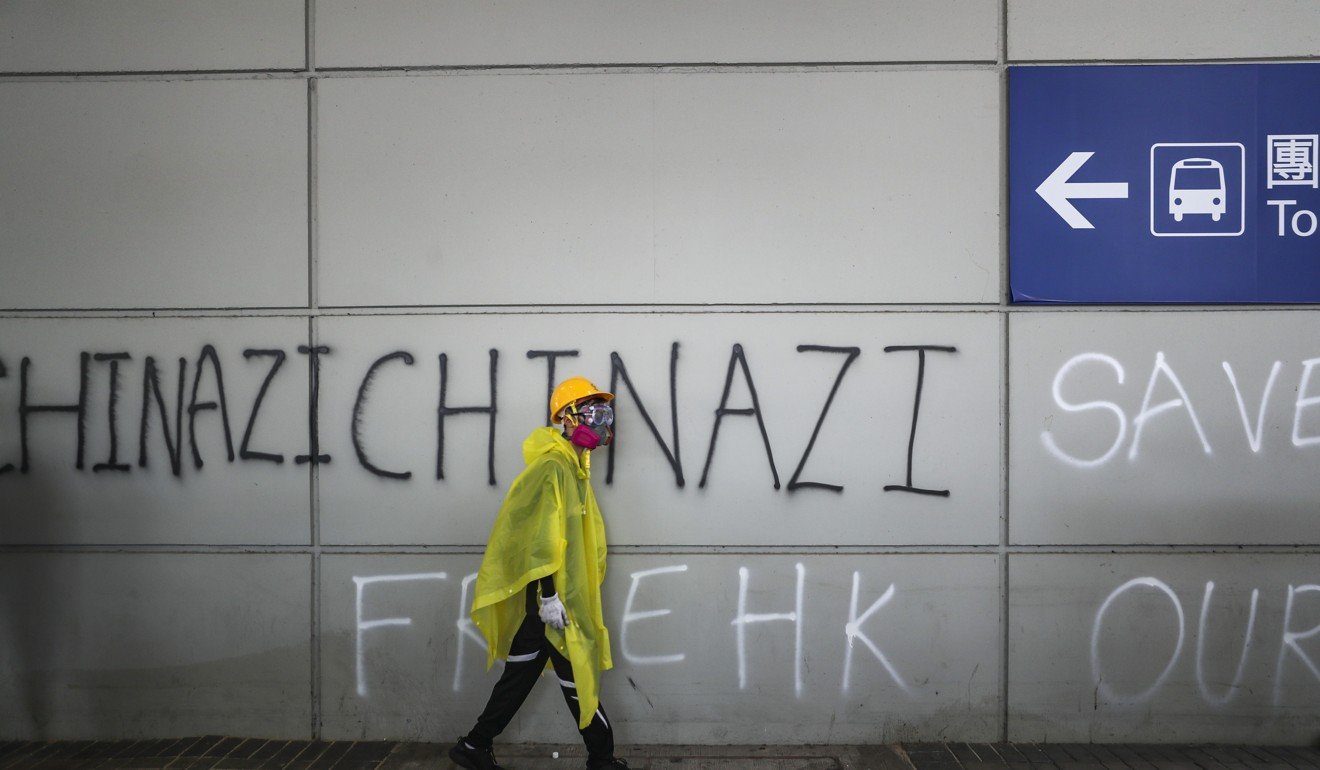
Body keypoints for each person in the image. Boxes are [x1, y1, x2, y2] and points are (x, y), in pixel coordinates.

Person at [450, 376, 628, 770]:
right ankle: (602, 758)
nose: (602, 423)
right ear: (566, 417)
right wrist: (548, 597)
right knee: (578, 675)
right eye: (594, 412)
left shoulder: (572, 466)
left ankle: (475, 746)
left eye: (606, 413)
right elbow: (539, 540)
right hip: (555, 600)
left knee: (520, 677)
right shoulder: (553, 468)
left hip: (553, 600)